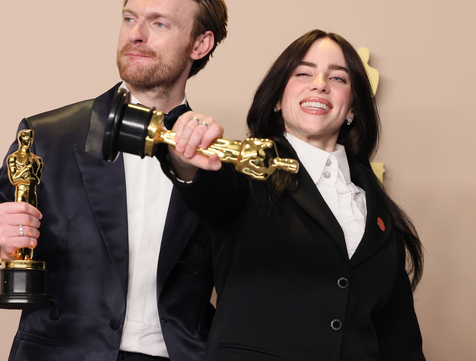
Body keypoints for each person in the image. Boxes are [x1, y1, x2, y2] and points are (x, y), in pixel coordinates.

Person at [0, 0, 228, 361]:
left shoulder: (218, 162)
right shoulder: (44, 136)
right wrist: (2, 253)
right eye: (129, 18)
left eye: (159, 24)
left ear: (200, 44)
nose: (135, 35)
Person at [162, 30, 425, 360]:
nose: (319, 83)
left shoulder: (379, 212)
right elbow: (208, 192)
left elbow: (400, 341)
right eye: (303, 73)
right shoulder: (244, 172)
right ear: (276, 99)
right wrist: (185, 160)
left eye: (338, 78)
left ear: (352, 109)